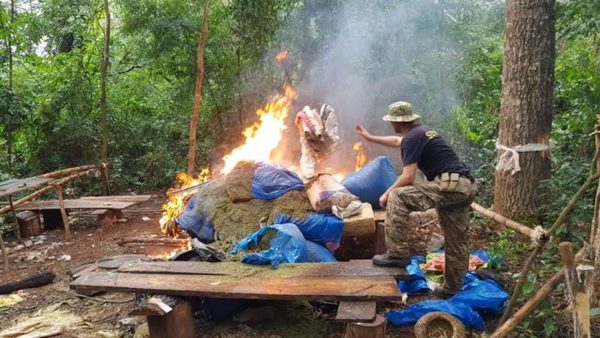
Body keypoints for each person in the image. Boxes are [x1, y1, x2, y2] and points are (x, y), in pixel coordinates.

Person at [356, 101, 477, 297]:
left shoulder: (412, 138)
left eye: (391, 122)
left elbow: (408, 177)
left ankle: (397, 253)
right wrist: (370, 137)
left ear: (397, 122)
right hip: (464, 187)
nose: (391, 126)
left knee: (397, 196)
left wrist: (387, 192)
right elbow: (397, 142)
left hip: (448, 186)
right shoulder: (421, 132)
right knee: (456, 241)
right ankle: (451, 289)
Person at [295, 104, 339, 179]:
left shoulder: (309, 123)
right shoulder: (309, 131)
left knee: (307, 153)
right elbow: (311, 136)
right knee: (307, 154)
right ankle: (308, 176)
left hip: (316, 135)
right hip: (314, 135)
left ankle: (308, 176)